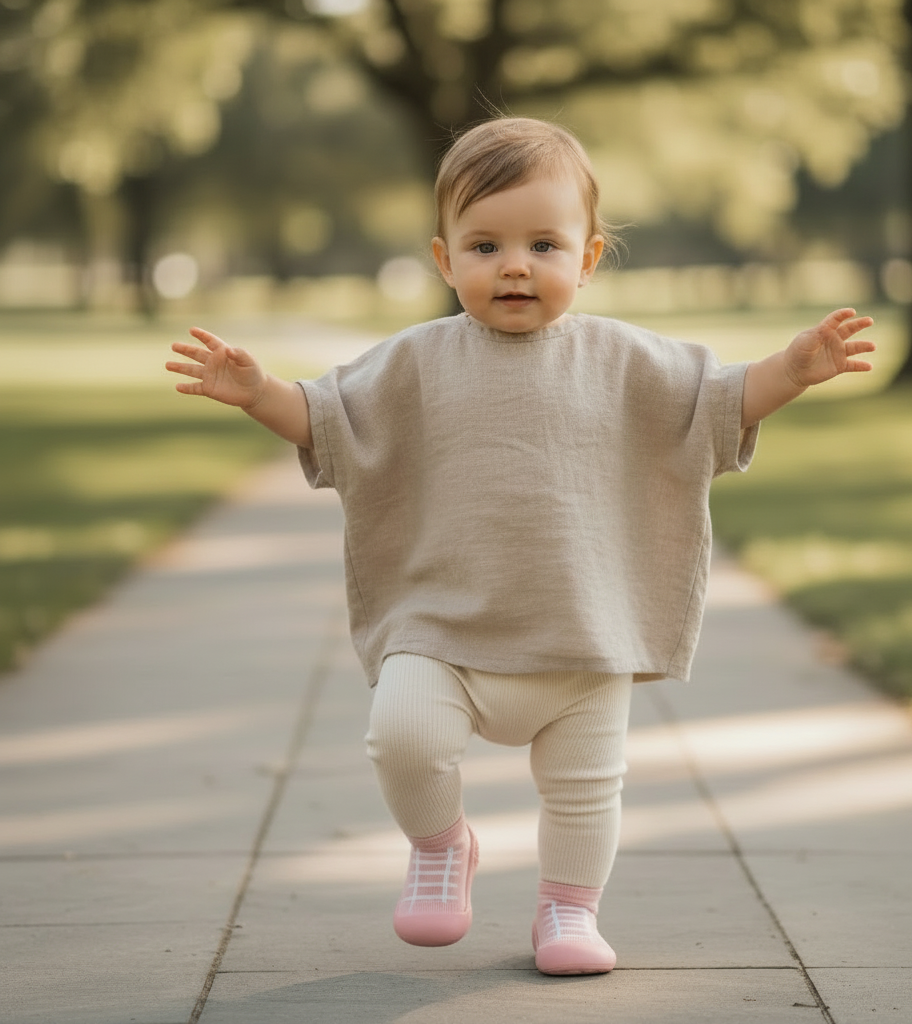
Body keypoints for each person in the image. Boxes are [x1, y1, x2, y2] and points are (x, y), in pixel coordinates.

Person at [166, 116, 874, 977]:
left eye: (544, 244)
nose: (514, 265)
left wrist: (790, 373)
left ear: (588, 258)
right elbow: (328, 421)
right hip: (442, 624)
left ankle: (567, 911)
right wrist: (259, 393)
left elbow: (716, 405)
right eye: (485, 244)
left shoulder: (625, 360)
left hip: (583, 634)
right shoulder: (414, 362)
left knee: (584, 790)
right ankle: (441, 847)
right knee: (402, 735)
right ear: (444, 259)